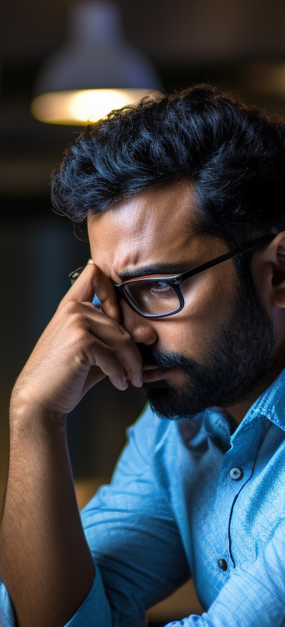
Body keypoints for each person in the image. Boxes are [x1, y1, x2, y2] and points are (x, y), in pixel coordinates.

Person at [1, 83, 285, 627]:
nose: (126, 330)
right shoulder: (176, 432)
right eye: (109, 293)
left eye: (156, 286)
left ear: (278, 272)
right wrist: (33, 415)